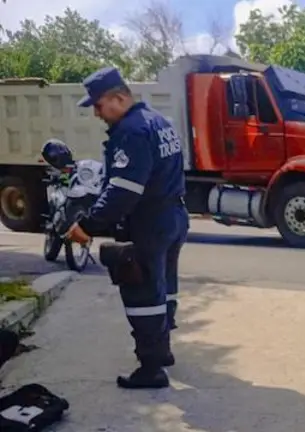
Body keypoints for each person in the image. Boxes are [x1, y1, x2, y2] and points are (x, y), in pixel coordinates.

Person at [65, 66, 189, 389]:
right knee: (164, 285)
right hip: (173, 215)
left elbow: (123, 190)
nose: (96, 113)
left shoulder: (131, 131)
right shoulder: (159, 121)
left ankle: (151, 368)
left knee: (142, 292)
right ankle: (163, 351)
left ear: (118, 98)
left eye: (98, 105)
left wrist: (88, 225)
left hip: (149, 221)